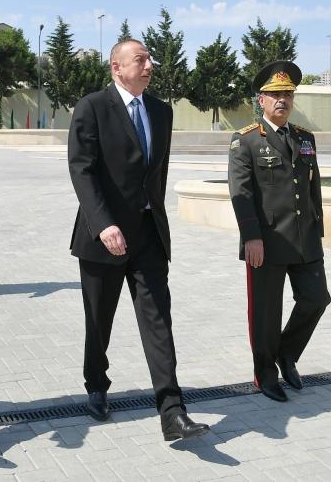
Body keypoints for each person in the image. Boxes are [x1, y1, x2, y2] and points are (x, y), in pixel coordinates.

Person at [67, 38, 209, 442]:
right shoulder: (92, 107)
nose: (149, 66)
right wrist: (103, 223)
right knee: (99, 321)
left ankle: (172, 410)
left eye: (149, 59)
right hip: (103, 236)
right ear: (116, 67)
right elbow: (82, 169)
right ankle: (96, 383)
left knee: (158, 321)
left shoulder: (161, 112)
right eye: (140, 60)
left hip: (147, 236)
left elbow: (155, 174)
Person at [227, 61, 331, 402]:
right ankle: (266, 374)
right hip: (267, 242)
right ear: (261, 100)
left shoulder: (305, 138)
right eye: (274, 94)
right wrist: (250, 237)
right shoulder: (245, 141)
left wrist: (318, 229)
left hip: (305, 238)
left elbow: (312, 189)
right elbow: (240, 194)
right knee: (266, 313)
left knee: (317, 299)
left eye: (287, 94)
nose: (281, 100)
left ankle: (286, 354)